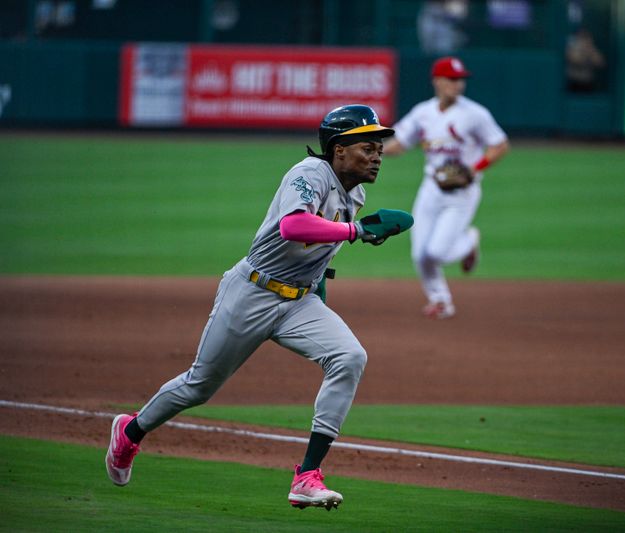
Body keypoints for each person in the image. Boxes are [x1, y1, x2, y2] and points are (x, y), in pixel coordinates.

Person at [104, 104, 412, 511]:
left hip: (299, 301)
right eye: (368, 147)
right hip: (251, 294)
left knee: (349, 356)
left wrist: (319, 298)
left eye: (379, 148)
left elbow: (318, 254)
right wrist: (355, 230)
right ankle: (130, 432)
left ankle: (307, 476)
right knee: (200, 386)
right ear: (338, 150)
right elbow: (294, 226)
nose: (377, 155)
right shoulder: (309, 174)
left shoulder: (355, 192)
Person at [384, 57, 509, 319]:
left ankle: (469, 240)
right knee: (420, 253)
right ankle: (440, 300)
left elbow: (500, 145)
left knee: (437, 252)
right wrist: (373, 151)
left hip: (462, 192)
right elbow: (399, 143)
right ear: (437, 81)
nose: (458, 84)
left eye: (460, 79)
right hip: (431, 189)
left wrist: (476, 168)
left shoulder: (475, 114)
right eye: (452, 79)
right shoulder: (423, 112)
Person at [565, 27, 606, 93]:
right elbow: (575, 61)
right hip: (573, 83)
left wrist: (589, 50)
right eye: (581, 37)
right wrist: (584, 53)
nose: (583, 41)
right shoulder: (572, 48)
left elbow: (600, 63)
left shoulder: (592, 49)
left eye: (586, 38)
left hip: (588, 84)